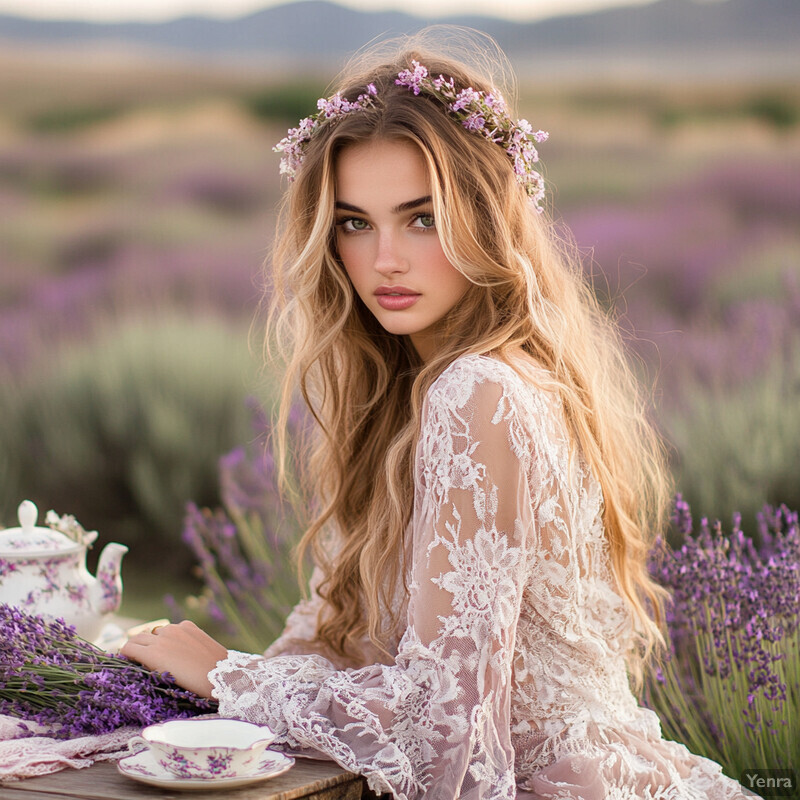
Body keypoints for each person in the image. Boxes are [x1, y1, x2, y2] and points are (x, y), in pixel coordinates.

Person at [122, 29, 751, 800]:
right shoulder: (409, 392)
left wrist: (226, 673)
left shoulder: (478, 392)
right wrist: (178, 681)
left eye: (421, 218)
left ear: (485, 219)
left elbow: (437, 724)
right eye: (355, 222)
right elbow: (334, 636)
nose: (385, 257)